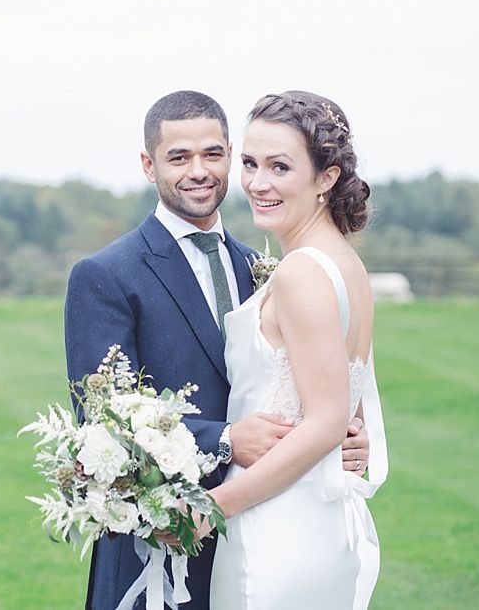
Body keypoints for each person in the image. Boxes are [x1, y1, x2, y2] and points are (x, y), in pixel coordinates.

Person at [64, 90, 370, 610]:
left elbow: (311, 385)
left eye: (212, 154)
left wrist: (348, 431)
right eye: (178, 157)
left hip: (262, 526)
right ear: (148, 164)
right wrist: (226, 439)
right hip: (159, 547)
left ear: (229, 155)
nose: (198, 171)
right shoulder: (106, 275)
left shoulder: (264, 268)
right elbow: (104, 421)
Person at [204, 90, 389, 610]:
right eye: (250, 163)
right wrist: (354, 437)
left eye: (280, 166)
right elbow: (344, 404)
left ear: (326, 177)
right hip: (322, 524)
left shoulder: (302, 272)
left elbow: (326, 420)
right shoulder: (344, 264)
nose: (258, 183)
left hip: (273, 527)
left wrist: (210, 507)